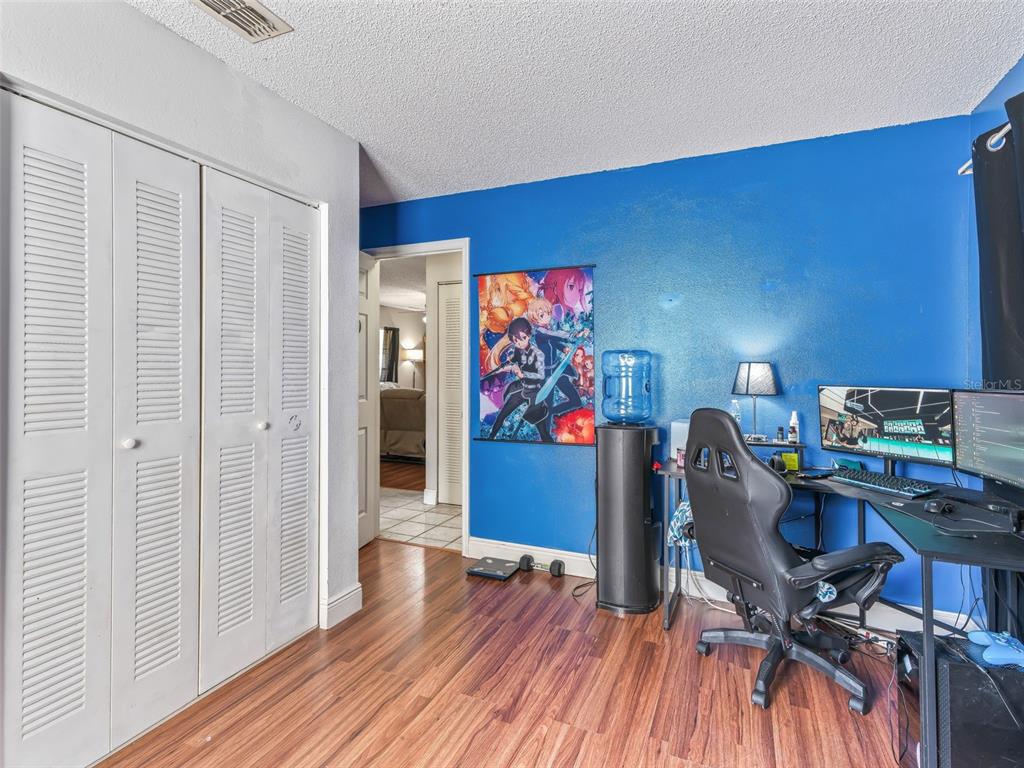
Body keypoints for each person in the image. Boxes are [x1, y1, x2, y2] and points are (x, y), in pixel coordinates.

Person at [487, 317, 552, 442]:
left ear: (528, 335)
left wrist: (522, 374)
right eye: (515, 340)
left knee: (541, 428)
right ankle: (490, 438)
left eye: (522, 338)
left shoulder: (538, 354)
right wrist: (504, 366)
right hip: (522, 388)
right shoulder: (518, 349)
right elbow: (513, 359)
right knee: (502, 415)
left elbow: (540, 376)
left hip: (535, 392)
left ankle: (549, 445)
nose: (519, 343)